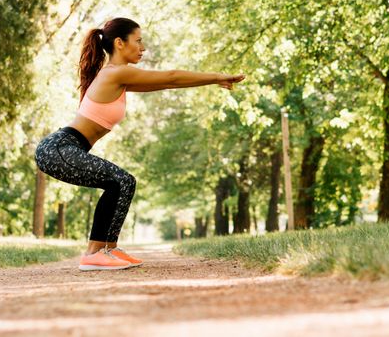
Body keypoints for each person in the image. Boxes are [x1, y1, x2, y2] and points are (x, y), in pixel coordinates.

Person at [35, 17, 245, 271]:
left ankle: (108, 249)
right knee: (121, 181)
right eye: (139, 41)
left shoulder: (120, 77)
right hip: (58, 148)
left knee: (124, 182)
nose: (143, 47)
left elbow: (168, 82)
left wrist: (210, 80)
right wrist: (215, 77)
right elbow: (172, 77)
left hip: (65, 148)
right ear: (120, 43)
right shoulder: (117, 72)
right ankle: (93, 253)